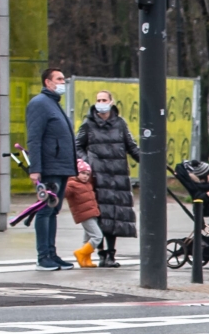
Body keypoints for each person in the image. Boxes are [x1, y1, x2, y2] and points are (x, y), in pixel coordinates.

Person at [76, 89, 140, 267]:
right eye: (98, 99)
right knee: (100, 214)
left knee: (115, 215)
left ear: (111, 102)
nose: (101, 102)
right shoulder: (88, 124)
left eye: (104, 99)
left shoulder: (120, 123)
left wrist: (147, 160)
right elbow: (77, 146)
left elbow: (131, 146)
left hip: (117, 175)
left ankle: (111, 254)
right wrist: (88, 162)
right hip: (97, 176)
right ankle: (102, 253)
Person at [24, 67, 79, 270]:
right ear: (48, 82)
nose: (63, 82)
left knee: (53, 210)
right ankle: (43, 256)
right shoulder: (40, 104)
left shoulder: (53, 104)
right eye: (59, 79)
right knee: (45, 211)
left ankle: (52, 254)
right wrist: (35, 169)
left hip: (61, 166)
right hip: (50, 167)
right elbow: (34, 138)